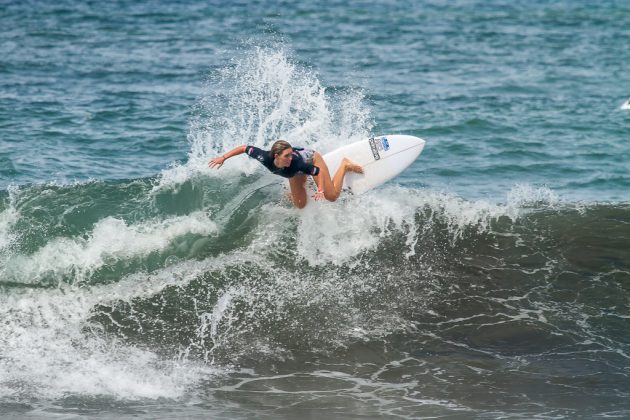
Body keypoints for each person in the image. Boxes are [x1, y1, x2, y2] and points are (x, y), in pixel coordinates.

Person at [208, 140, 363, 208]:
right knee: (300, 205)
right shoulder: (263, 156)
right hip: (294, 174)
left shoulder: (296, 163)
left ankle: (344, 165)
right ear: (276, 156)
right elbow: (244, 148)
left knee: (332, 197)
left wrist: (321, 189)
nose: (290, 158)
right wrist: (223, 158)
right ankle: (304, 184)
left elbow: (318, 171)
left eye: (291, 155)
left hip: (311, 160)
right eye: (286, 156)